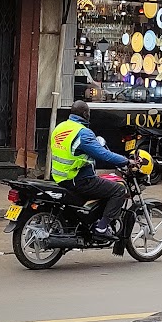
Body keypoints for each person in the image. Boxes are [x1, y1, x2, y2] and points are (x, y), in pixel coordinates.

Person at [50, 100, 131, 237]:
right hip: (78, 179)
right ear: (85, 114)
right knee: (118, 190)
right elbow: (103, 154)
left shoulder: (60, 127)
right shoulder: (82, 133)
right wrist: (126, 161)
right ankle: (102, 228)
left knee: (103, 186)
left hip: (59, 177)